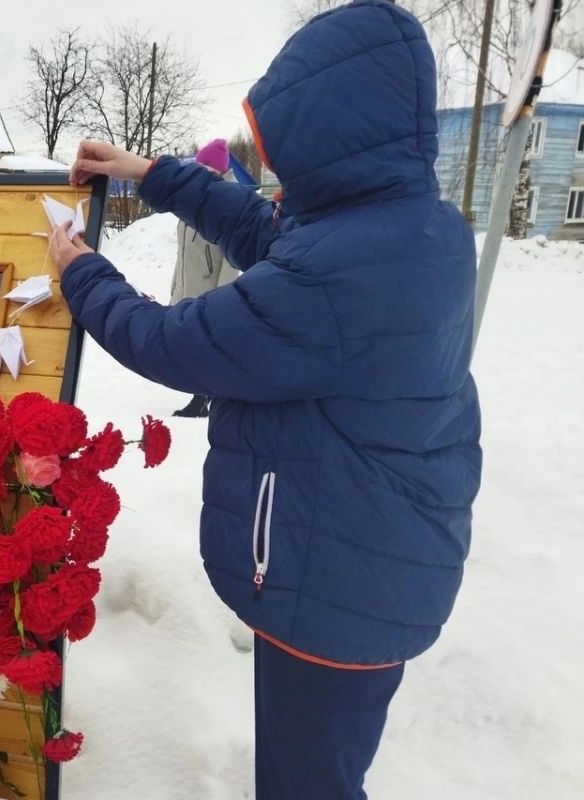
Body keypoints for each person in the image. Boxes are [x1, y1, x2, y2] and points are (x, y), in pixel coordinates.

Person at [48, 1, 482, 797]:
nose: (280, 161)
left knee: (307, 782)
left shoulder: (342, 272)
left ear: (334, 130)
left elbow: (174, 341)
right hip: (369, 557)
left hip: (337, 577)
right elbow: (267, 232)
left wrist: (81, 272)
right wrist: (152, 173)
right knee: (317, 766)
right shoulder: (412, 227)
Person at [170, 138, 241, 419]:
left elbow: (231, 259)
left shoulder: (230, 201)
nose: (199, 172)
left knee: (208, 345)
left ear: (219, 171)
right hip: (191, 286)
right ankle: (204, 395)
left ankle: (206, 398)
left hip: (212, 290)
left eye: (205, 168)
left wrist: (224, 297)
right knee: (195, 345)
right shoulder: (194, 199)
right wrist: (176, 287)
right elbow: (184, 252)